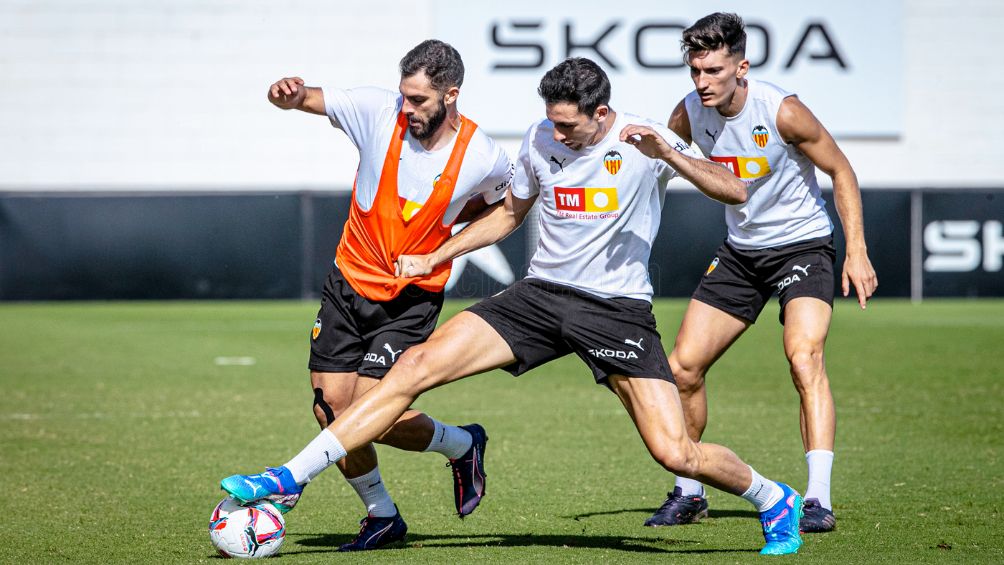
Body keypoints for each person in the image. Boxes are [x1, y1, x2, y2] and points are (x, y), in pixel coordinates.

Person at [223, 57, 805, 555]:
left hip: (615, 310)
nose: (559, 133)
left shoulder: (645, 137)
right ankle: (287, 477)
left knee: (675, 452)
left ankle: (773, 496)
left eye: (570, 125)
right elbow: (507, 214)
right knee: (413, 370)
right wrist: (437, 256)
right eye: (553, 122)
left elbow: (734, 190)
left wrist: (670, 156)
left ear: (602, 114)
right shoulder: (540, 137)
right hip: (539, 297)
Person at [257, 39, 514, 551]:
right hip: (347, 284)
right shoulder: (377, 110)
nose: (409, 108)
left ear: (451, 95)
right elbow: (304, 98)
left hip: (410, 299)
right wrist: (283, 94)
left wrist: (443, 251)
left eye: (420, 100)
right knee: (332, 409)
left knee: (371, 410)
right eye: (405, 96)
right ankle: (383, 515)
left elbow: (502, 211)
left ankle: (462, 443)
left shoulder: (483, 156)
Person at [642, 13, 878, 533]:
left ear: (741, 67)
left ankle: (817, 498)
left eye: (713, 71)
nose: (702, 82)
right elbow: (654, 165)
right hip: (742, 253)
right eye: (695, 71)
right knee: (683, 369)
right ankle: (690, 490)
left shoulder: (784, 111)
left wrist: (856, 249)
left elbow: (841, 170)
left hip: (803, 247)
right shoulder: (687, 113)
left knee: (804, 357)